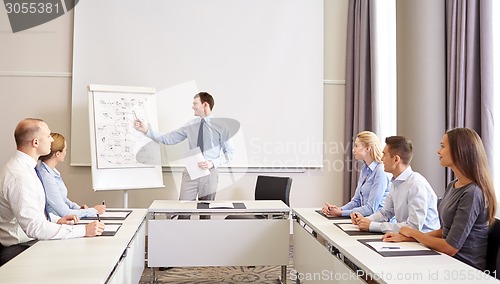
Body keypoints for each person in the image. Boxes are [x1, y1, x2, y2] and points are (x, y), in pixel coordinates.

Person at [383, 128, 497, 270]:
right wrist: (408, 238)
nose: (438, 151)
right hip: (444, 259)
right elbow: (444, 231)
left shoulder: (473, 193)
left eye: (443, 146)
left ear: (458, 151)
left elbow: (450, 247)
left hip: (463, 268)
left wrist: (413, 233)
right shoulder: (453, 185)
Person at [0, 118, 105, 266]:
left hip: (27, 239)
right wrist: (84, 230)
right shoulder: (20, 176)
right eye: (48, 136)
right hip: (19, 248)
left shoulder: (26, 168)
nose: (51, 140)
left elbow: (32, 214)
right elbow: (33, 227)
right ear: (35, 143)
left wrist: (54, 220)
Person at [135, 92, 234, 218]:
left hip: (209, 173)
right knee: (183, 210)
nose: (192, 107)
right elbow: (169, 139)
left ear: (205, 104)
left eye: (195, 104)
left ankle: (203, 237)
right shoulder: (190, 125)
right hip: (191, 171)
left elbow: (230, 153)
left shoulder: (222, 126)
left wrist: (212, 163)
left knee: (205, 213)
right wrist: (147, 130)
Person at [351, 136, 440, 233]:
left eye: (384, 154)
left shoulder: (416, 185)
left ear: (396, 159)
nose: (381, 158)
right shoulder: (395, 182)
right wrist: (366, 220)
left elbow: (413, 227)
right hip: (407, 239)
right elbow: (385, 213)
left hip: (423, 244)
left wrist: (372, 225)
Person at [37, 132, 106, 219]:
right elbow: (65, 213)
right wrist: (94, 211)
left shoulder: (52, 172)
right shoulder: (46, 177)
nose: (66, 153)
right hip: (56, 223)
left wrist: (78, 208)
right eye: (65, 150)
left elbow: (63, 200)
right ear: (58, 153)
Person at [321, 131, 389, 217]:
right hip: (365, 220)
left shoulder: (380, 171)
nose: (353, 150)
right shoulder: (365, 169)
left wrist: (341, 213)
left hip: (379, 223)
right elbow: (356, 201)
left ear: (368, 148)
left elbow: (370, 209)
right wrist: (339, 209)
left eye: (356, 146)